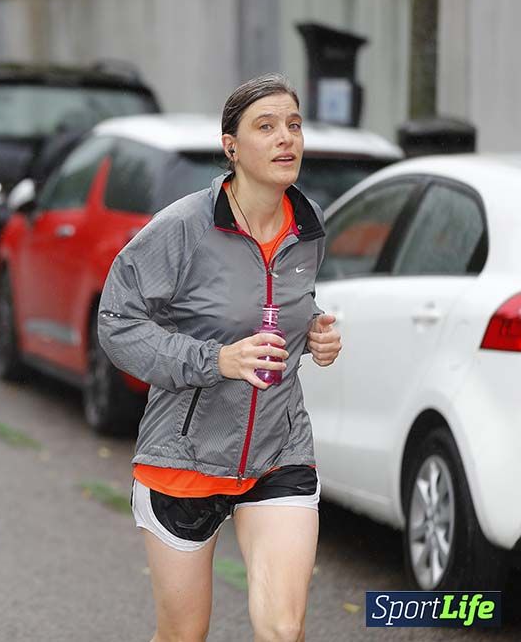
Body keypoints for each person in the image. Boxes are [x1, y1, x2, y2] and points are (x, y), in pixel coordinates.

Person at [98, 73, 343, 642]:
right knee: (184, 634)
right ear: (231, 145)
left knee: (283, 629)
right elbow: (118, 323)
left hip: (278, 452)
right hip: (184, 458)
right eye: (266, 127)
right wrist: (217, 360)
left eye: (294, 124)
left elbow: (275, 305)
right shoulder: (183, 227)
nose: (286, 138)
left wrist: (315, 333)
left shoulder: (307, 228)